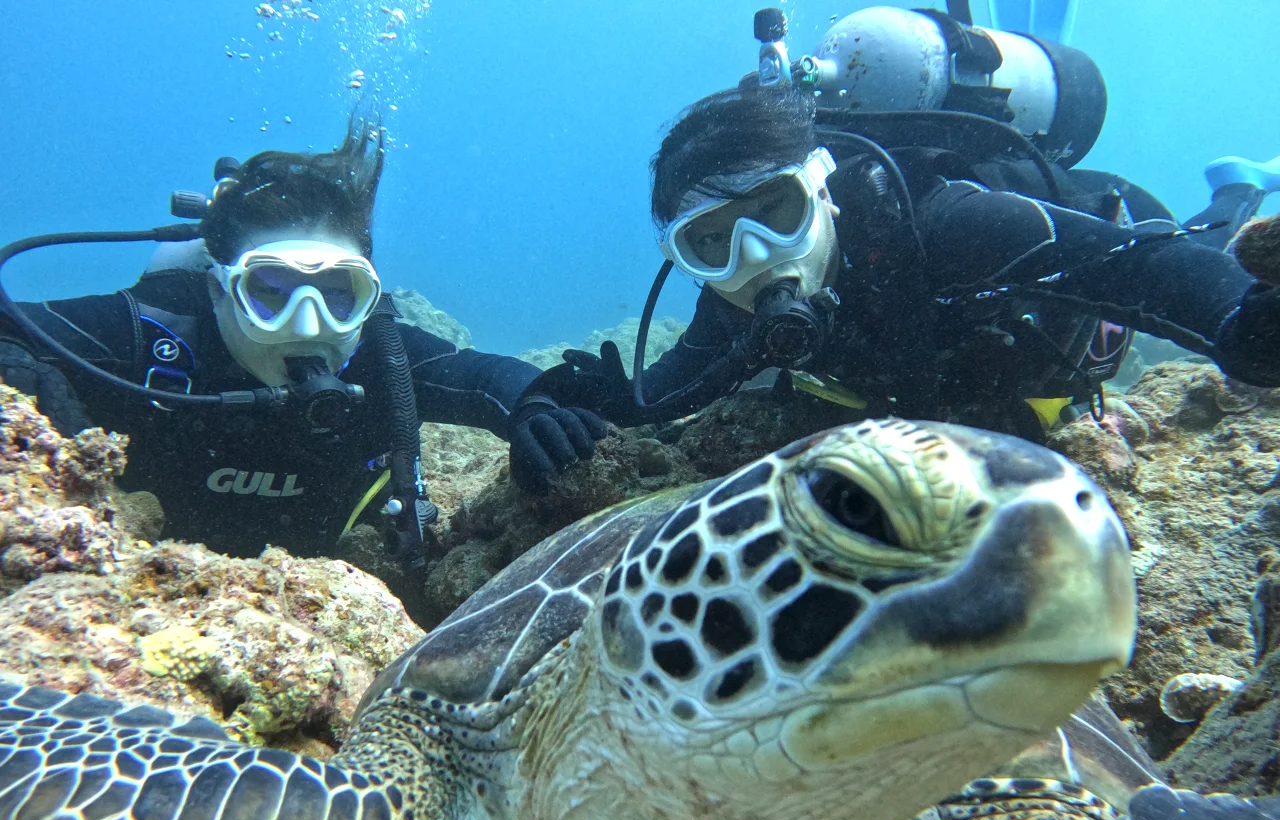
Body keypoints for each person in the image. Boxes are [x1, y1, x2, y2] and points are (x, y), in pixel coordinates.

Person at [0, 116, 604, 565]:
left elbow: (481, 376)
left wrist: (538, 407)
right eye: (270, 291)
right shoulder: (154, 332)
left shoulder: (378, 351)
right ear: (216, 292)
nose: (310, 324)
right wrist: (31, 385)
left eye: (339, 294)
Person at [538, 84, 1280, 438]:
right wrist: (570, 406)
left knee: (1199, 255)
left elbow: (1142, 273)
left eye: (775, 212)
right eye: (712, 244)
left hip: (1099, 238)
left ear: (822, 187)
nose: (756, 259)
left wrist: (1238, 317)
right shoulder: (731, 307)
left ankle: (1236, 190)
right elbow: (656, 398)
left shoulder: (947, 225)